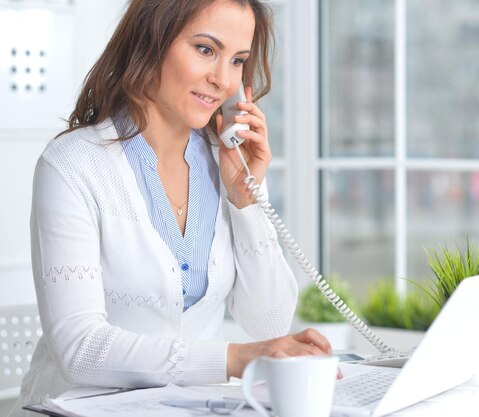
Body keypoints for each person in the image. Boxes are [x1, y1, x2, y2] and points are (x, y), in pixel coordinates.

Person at [11, 0, 332, 415]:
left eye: (237, 60)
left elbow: (269, 323)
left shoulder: (228, 163)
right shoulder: (73, 164)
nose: (221, 79)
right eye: (205, 49)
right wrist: (232, 359)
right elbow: (81, 348)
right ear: (151, 41)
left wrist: (245, 201)